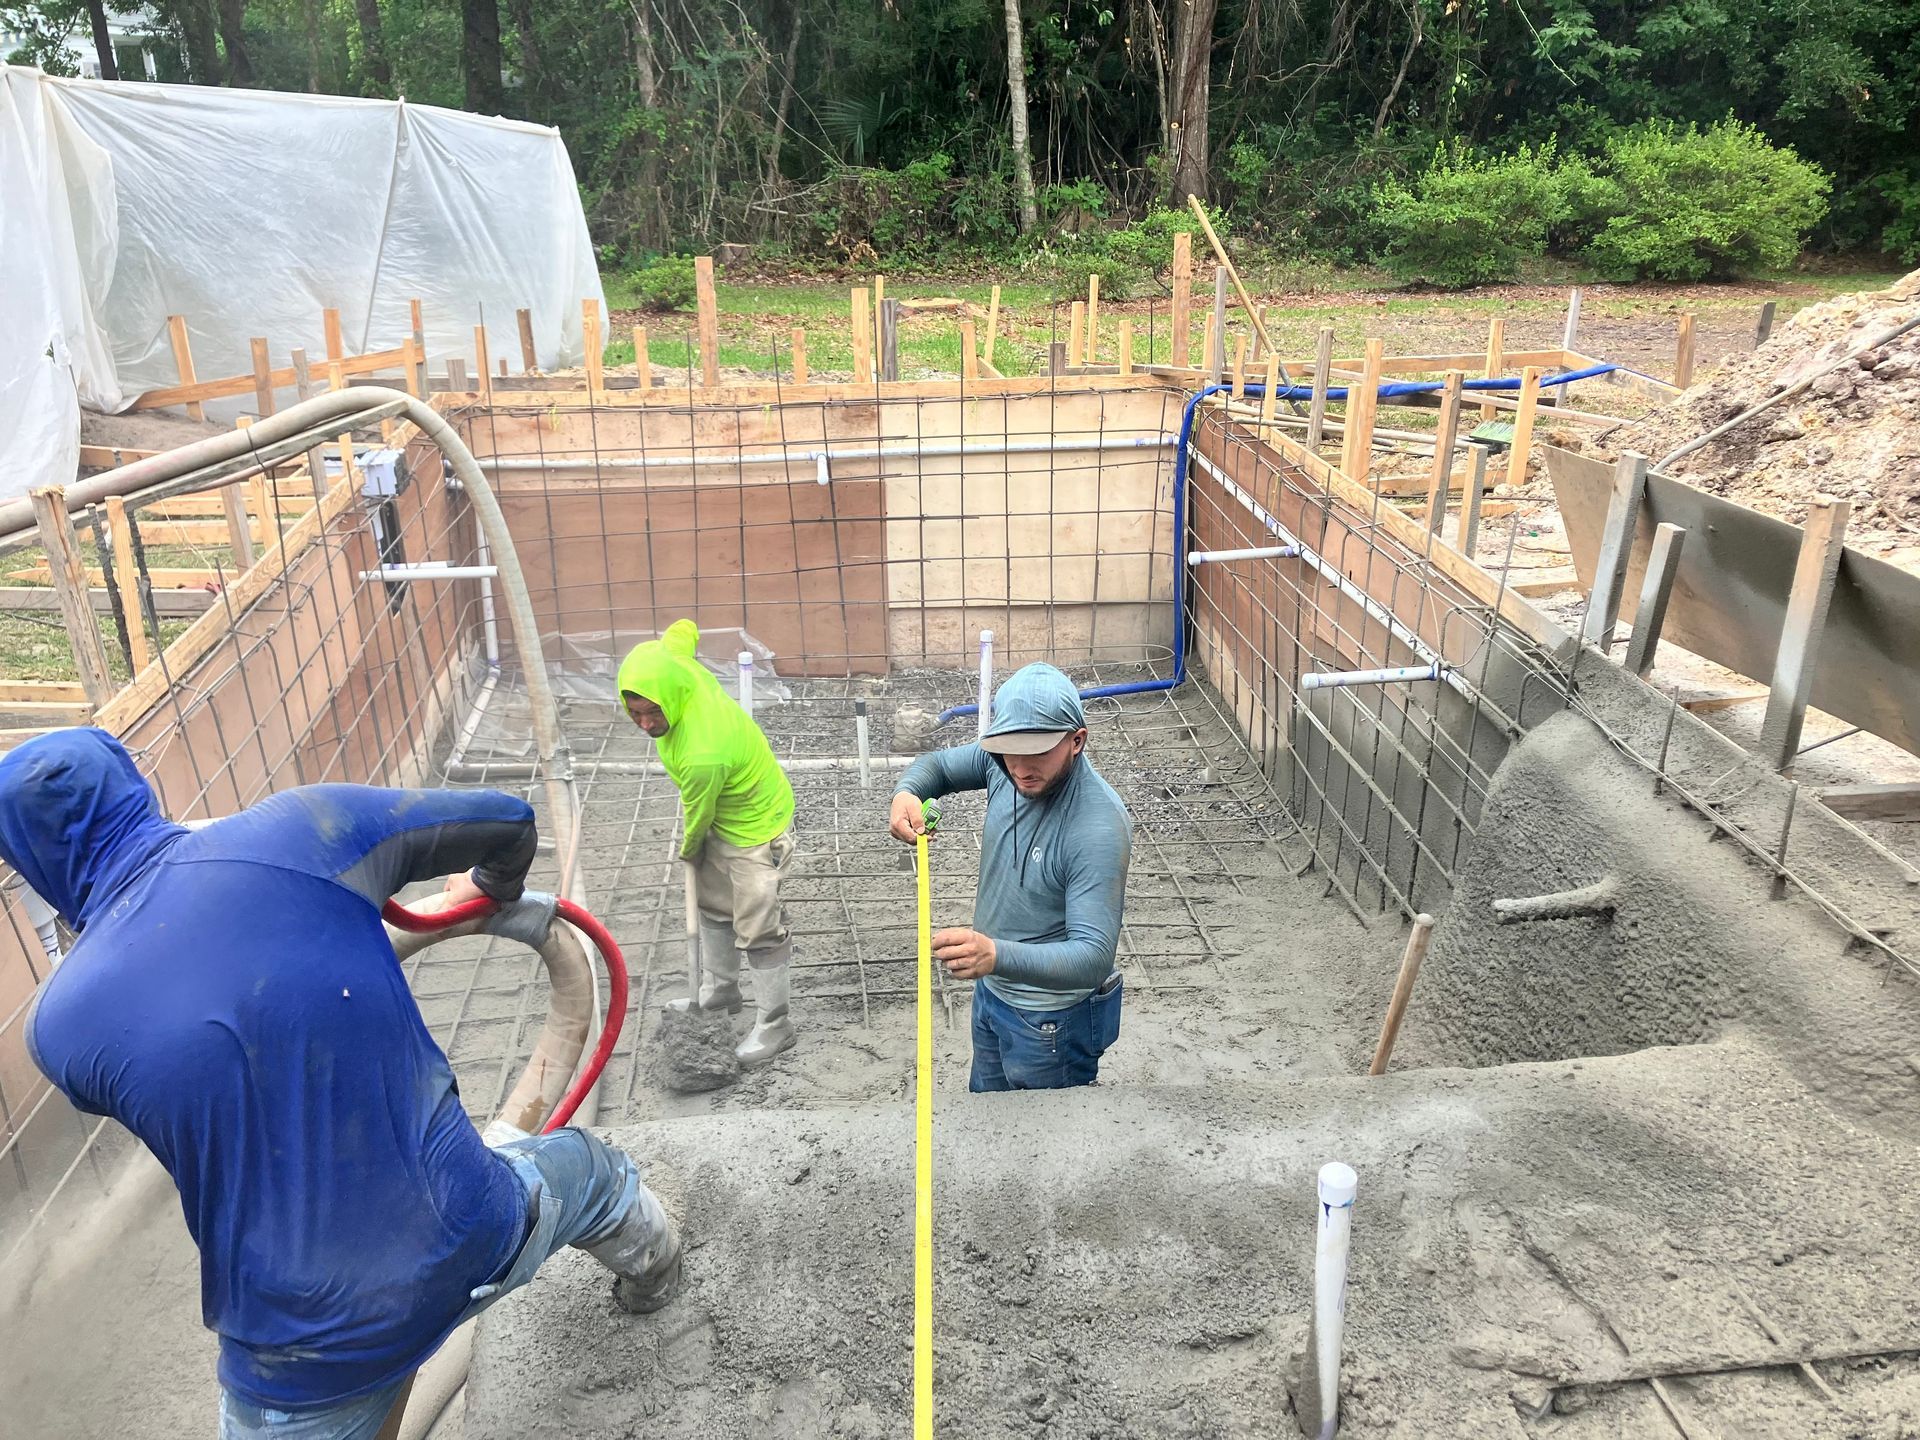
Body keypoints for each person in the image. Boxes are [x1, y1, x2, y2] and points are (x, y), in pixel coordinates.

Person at [0, 728, 681, 1440]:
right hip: (473, 1231)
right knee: (587, 1173)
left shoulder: (58, 1029)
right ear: (133, 785)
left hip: (299, 1362)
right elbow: (509, 821)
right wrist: (488, 891)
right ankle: (656, 1267)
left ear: (30, 866)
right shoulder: (304, 828)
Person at [888, 663, 1132, 1091]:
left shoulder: (1096, 828)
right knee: (989, 1120)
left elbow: (1092, 958)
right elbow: (938, 767)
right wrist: (907, 792)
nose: (1018, 767)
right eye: (1007, 748)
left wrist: (996, 956)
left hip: (1050, 1023)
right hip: (993, 992)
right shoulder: (1004, 766)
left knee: (1045, 1144)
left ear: (1076, 740)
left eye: (1036, 751)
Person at [617, 619, 799, 1064]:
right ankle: (721, 991)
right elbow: (683, 630)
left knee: (758, 927)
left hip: (755, 826)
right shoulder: (674, 666)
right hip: (722, 813)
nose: (645, 724)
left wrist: (689, 850)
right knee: (714, 907)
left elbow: (698, 817)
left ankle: (776, 1025)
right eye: (636, 713)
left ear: (671, 699)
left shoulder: (703, 753)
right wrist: (673, 636)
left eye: (652, 714)